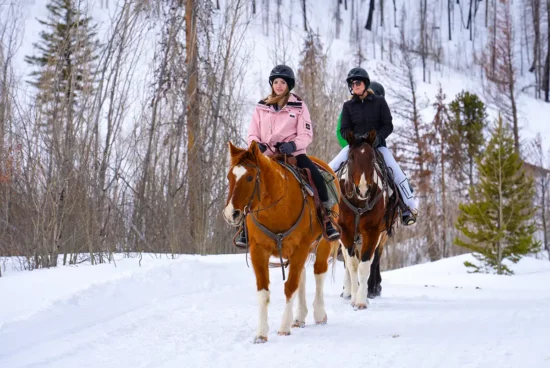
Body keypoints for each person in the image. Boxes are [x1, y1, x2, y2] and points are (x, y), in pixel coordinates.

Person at [235, 64, 340, 247]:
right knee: (246, 179)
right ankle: (245, 226)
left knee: (317, 177)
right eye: (276, 82)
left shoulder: (299, 106)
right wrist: (256, 145)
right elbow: (252, 132)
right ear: (272, 84)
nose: (279, 86)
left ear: (289, 85)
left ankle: (326, 220)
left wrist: (293, 145)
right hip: (265, 155)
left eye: (282, 82)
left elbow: (306, 135)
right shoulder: (262, 106)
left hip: (292, 154)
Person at [328, 67, 418, 226]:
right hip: (354, 148)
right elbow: (343, 129)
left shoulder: (379, 102)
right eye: (352, 84)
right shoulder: (348, 106)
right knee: (330, 168)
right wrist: (352, 138)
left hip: (377, 147)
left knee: (395, 171)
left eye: (357, 83)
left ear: (365, 84)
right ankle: (324, 207)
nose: (355, 86)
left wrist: (378, 138)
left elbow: (388, 125)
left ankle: (407, 208)